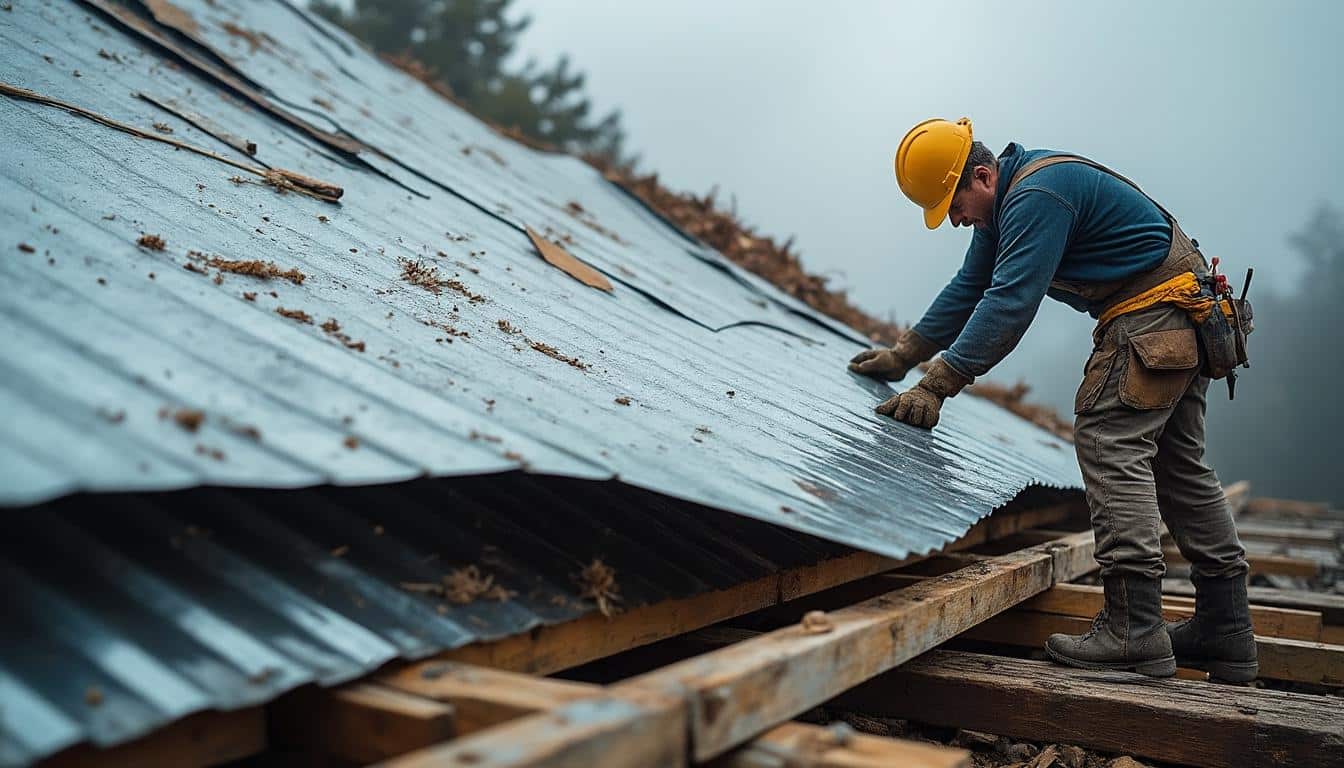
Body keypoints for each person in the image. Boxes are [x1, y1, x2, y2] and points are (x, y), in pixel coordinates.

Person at [849, 117, 1257, 682]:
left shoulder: (1036, 197)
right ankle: (1226, 628)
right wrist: (905, 353)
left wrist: (937, 383)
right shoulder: (1008, 202)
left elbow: (1011, 303)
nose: (956, 221)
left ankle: (1135, 629)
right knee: (1176, 464)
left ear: (984, 177)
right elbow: (970, 287)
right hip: (1186, 316)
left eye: (955, 206)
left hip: (1156, 316)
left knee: (1107, 439)